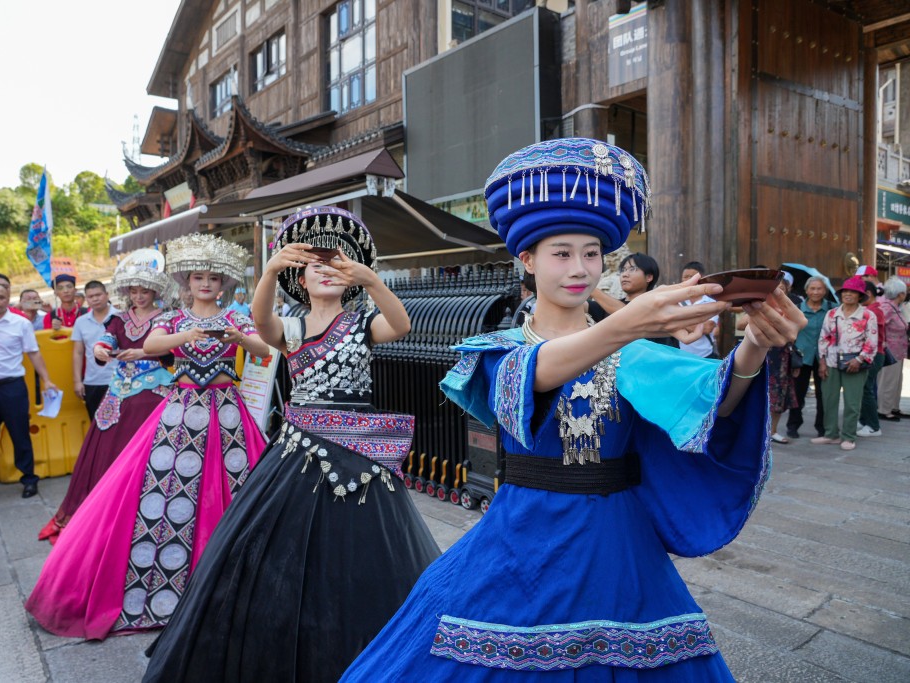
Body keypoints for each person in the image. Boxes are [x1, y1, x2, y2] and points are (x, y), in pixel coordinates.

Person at [341, 138, 804, 681]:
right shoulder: (498, 350)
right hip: (521, 538)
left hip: (620, 544)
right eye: (562, 253)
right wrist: (624, 324)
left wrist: (756, 344)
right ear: (527, 259)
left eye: (592, 253)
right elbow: (536, 373)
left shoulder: (635, 352)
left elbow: (714, 399)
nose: (580, 268)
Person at [143, 206, 441, 683]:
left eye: (336, 263)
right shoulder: (292, 326)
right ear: (299, 277)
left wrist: (373, 280)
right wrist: (269, 270)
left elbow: (401, 325)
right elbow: (260, 323)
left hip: (361, 454)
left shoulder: (364, 323)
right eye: (314, 263)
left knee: (363, 559)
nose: (325, 269)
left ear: (350, 277)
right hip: (298, 453)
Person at [25, 233, 269, 640]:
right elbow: (155, 344)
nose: (205, 284)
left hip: (228, 412)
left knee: (237, 487)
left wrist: (240, 338)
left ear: (224, 284)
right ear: (186, 283)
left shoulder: (235, 317)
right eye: (197, 278)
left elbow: (264, 348)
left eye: (213, 278)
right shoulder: (173, 319)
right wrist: (185, 338)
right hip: (182, 411)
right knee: (164, 491)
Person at [38, 256, 177, 544]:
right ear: (127, 293)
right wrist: (101, 349)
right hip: (120, 391)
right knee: (106, 447)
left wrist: (145, 353)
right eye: (134, 292)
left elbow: (172, 353)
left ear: (155, 293)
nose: (139, 297)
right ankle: (107, 506)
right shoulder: (119, 319)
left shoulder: (167, 319)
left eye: (145, 291)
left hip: (155, 391)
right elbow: (108, 339)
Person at [0, 282, 57, 500]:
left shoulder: (20, 323)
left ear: (8, 300)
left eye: (1, 297)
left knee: (20, 434)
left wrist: (47, 380)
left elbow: (34, 353)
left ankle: (28, 479)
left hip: (12, 387)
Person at [812, 277, 879, 451]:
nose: (848, 294)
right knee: (829, 399)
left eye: (853, 292)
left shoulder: (867, 315)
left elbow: (871, 342)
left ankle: (849, 436)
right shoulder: (832, 313)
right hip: (831, 362)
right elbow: (823, 338)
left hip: (855, 363)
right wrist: (822, 362)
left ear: (860, 296)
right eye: (845, 291)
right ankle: (831, 434)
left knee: (852, 402)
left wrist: (859, 359)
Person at [786, 275, 835, 439]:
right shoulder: (797, 309)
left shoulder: (832, 309)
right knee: (797, 394)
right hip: (801, 357)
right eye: (812, 288)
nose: (816, 292)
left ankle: (822, 427)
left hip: (825, 358)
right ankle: (793, 425)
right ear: (806, 290)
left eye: (819, 288)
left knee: (824, 395)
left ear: (825, 291)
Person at [70, 281, 119, 421]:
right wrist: (77, 381)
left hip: (119, 380)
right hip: (93, 382)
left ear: (107, 295)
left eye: (98, 294)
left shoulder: (121, 316)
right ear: (86, 299)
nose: (95, 299)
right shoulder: (81, 321)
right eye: (91, 296)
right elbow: (78, 353)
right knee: (96, 425)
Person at [765, 275, 802, 444]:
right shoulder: (761, 305)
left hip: (782, 355)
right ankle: (760, 429)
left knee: (780, 393)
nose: (778, 289)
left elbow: (793, 334)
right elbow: (741, 324)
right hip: (762, 352)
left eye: (782, 287)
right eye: (774, 286)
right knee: (760, 391)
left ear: (787, 290)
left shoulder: (792, 309)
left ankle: (773, 430)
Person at [856, 282, 887, 437]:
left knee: (866, 389)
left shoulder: (874, 311)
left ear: (867, 293)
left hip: (874, 355)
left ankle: (874, 426)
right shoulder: (871, 309)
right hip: (873, 354)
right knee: (864, 388)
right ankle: (863, 420)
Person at [876, 277, 908, 421]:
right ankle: (884, 409)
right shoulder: (887, 308)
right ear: (899, 293)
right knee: (888, 381)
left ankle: (894, 407)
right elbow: (878, 326)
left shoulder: (897, 307)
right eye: (904, 292)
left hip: (899, 351)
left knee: (896, 381)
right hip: (890, 351)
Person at [677, 260, 721, 358]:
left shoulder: (711, 302)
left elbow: (707, 328)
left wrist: (679, 322)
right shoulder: (677, 302)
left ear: (701, 278)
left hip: (706, 355)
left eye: (691, 276)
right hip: (682, 356)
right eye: (685, 276)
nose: (688, 279)